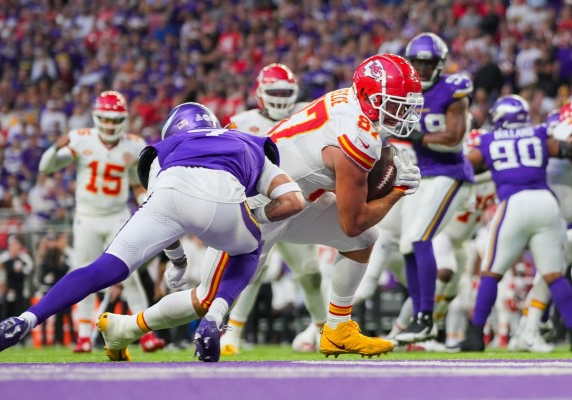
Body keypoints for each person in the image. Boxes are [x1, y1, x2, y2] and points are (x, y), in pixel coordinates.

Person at [97, 54, 424, 360]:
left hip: (292, 200)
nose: (402, 114)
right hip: (252, 205)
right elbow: (353, 221)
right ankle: (125, 328)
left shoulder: (350, 104)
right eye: (395, 104)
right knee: (208, 299)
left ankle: (337, 329)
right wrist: (397, 191)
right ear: (368, 96)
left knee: (363, 241)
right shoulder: (356, 134)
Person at [0, 102, 305, 364]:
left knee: (103, 268)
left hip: (169, 190)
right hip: (224, 196)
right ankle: (215, 317)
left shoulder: (166, 147)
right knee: (249, 250)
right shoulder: (245, 141)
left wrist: (177, 261)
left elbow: (167, 213)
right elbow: (293, 201)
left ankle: (25, 320)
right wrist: (253, 216)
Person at [37, 90, 164, 353]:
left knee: (130, 275)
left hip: (118, 216)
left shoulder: (133, 145)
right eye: (105, 119)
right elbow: (45, 167)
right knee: (84, 273)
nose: (109, 125)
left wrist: (147, 201)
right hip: (87, 217)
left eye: (115, 120)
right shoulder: (81, 139)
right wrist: (56, 147)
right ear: (96, 118)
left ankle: (145, 334)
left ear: (124, 120)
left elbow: (137, 182)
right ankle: (84, 336)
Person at [220, 63, 326, 355]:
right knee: (252, 271)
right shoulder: (241, 122)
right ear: (260, 92)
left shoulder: (307, 113)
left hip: (297, 204)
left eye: (284, 92)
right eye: (274, 92)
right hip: (258, 206)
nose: (280, 98)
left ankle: (324, 332)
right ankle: (232, 334)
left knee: (311, 273)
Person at [460, 94, 572, 352]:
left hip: (513, 203)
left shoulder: (488, 140)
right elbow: (563, 150)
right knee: (555, 276)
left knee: (491, 272)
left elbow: (466, 165)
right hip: (546, 203)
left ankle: (475, 335)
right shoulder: (540, 133)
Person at [393, 32, 475, 344]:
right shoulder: (404, 92)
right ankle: (418, 317)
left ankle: (427, 317)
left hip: (450, 173)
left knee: (420, 237)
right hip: (420, 174)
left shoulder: (453, 90)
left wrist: (419, 137)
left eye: (428, 63)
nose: (422, 69)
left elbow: (453, 138)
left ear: (440, 64)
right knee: (406, 245)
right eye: (417, 63)